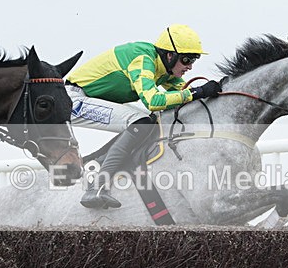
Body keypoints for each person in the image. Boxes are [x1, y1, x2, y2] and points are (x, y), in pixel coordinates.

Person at [66, 24, 222, 209]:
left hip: (86, 98)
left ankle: (96, 163)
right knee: (141, 120)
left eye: (194, 60)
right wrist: (196, 92)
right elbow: (154, 100)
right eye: (186, 59)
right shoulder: (143, 59)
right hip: (72, 100)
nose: (189, 66)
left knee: (150, 121)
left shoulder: (165, 70)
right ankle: (97, 186)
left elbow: (184, 93)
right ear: (169, 55)